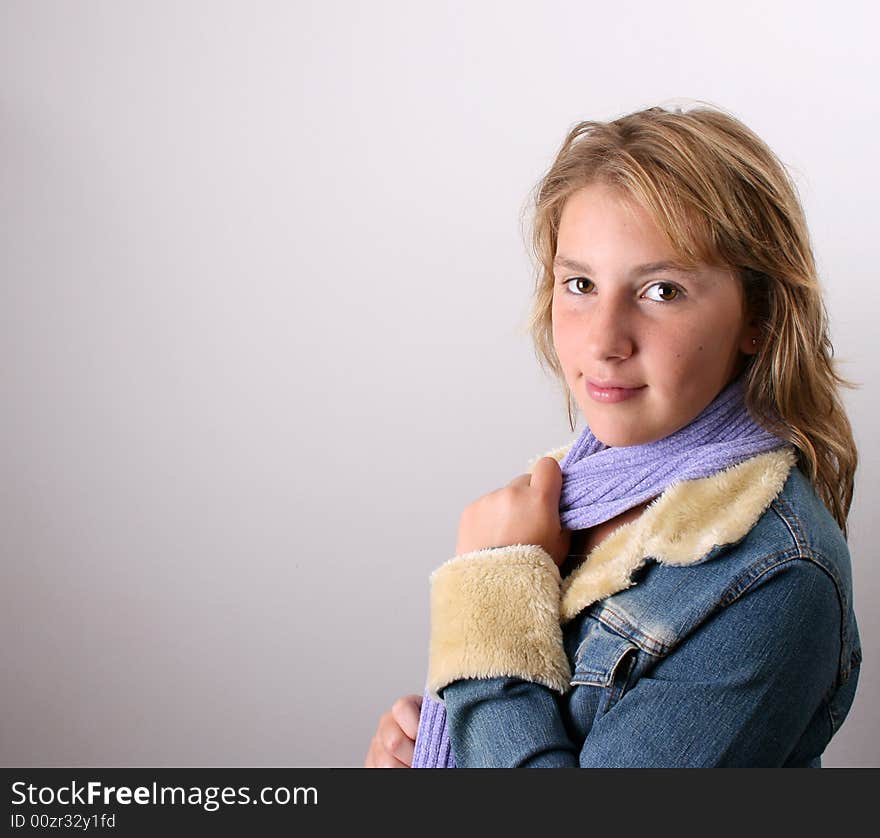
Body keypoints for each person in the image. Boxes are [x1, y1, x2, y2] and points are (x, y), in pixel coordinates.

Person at [364, 102, 861, 768]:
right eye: (579, 284)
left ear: (760, 316)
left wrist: (489, 612)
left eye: (661, 291)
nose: (603, 341)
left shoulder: (776, 578)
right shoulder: (581, 486)